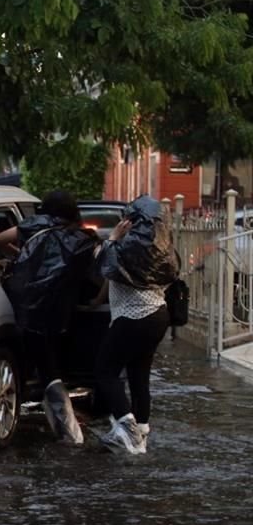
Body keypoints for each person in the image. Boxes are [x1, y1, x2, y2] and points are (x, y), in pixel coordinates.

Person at [0, 190, 99, 444]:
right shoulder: (82, 238)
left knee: (45, 366)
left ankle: (69, 430)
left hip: (28, 308)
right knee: (51, 365)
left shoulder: (34, 227)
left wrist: (20, 255)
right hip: (62, 311)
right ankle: (68, 430)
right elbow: (95, 272)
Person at [94, 195, 176, 455]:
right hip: (158, 316)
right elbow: (115, 275)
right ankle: (140, 436)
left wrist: (113, 238)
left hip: (132, 318)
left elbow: (102, 263)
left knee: (104, 371)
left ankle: (127, 428)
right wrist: (97, 300)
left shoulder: (127, 246)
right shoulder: (163, 248)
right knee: (139, 377)